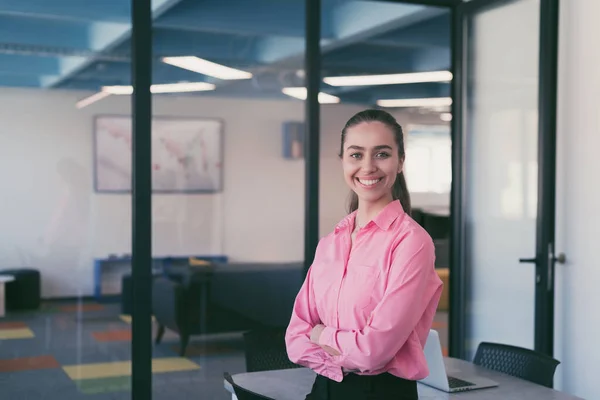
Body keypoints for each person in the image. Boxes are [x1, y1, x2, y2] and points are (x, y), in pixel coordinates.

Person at [285, 109, 443, 399]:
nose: (368, 167)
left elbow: (374, 352)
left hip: (380, 394)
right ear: (343, 161)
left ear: (400, 162)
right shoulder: (331, 241)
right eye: (356, 155)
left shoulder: (412, 242)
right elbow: (295, 338)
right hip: (322, 389)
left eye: (382, 154)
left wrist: (321, 335)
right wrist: (344, 352)